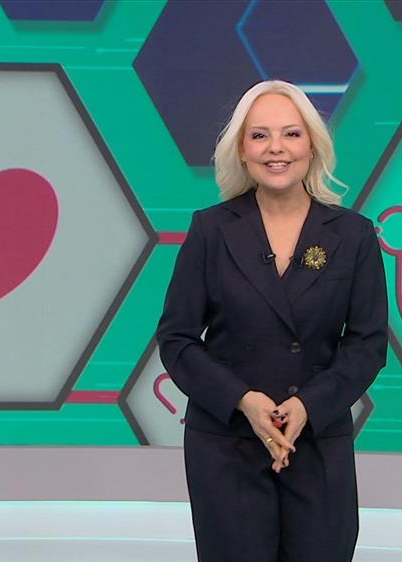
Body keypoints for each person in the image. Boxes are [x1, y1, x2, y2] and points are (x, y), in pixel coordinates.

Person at [156, 80, 389, 562]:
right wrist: (244, 400)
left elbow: (367, 344)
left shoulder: (354, 235)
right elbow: (177, 339)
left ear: (312, 146)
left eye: (291, 134)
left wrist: (306, 406)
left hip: (317, 443)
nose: (276, 148)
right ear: (241, 151)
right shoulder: (210, 230)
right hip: (226, 448)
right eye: (260, 135)